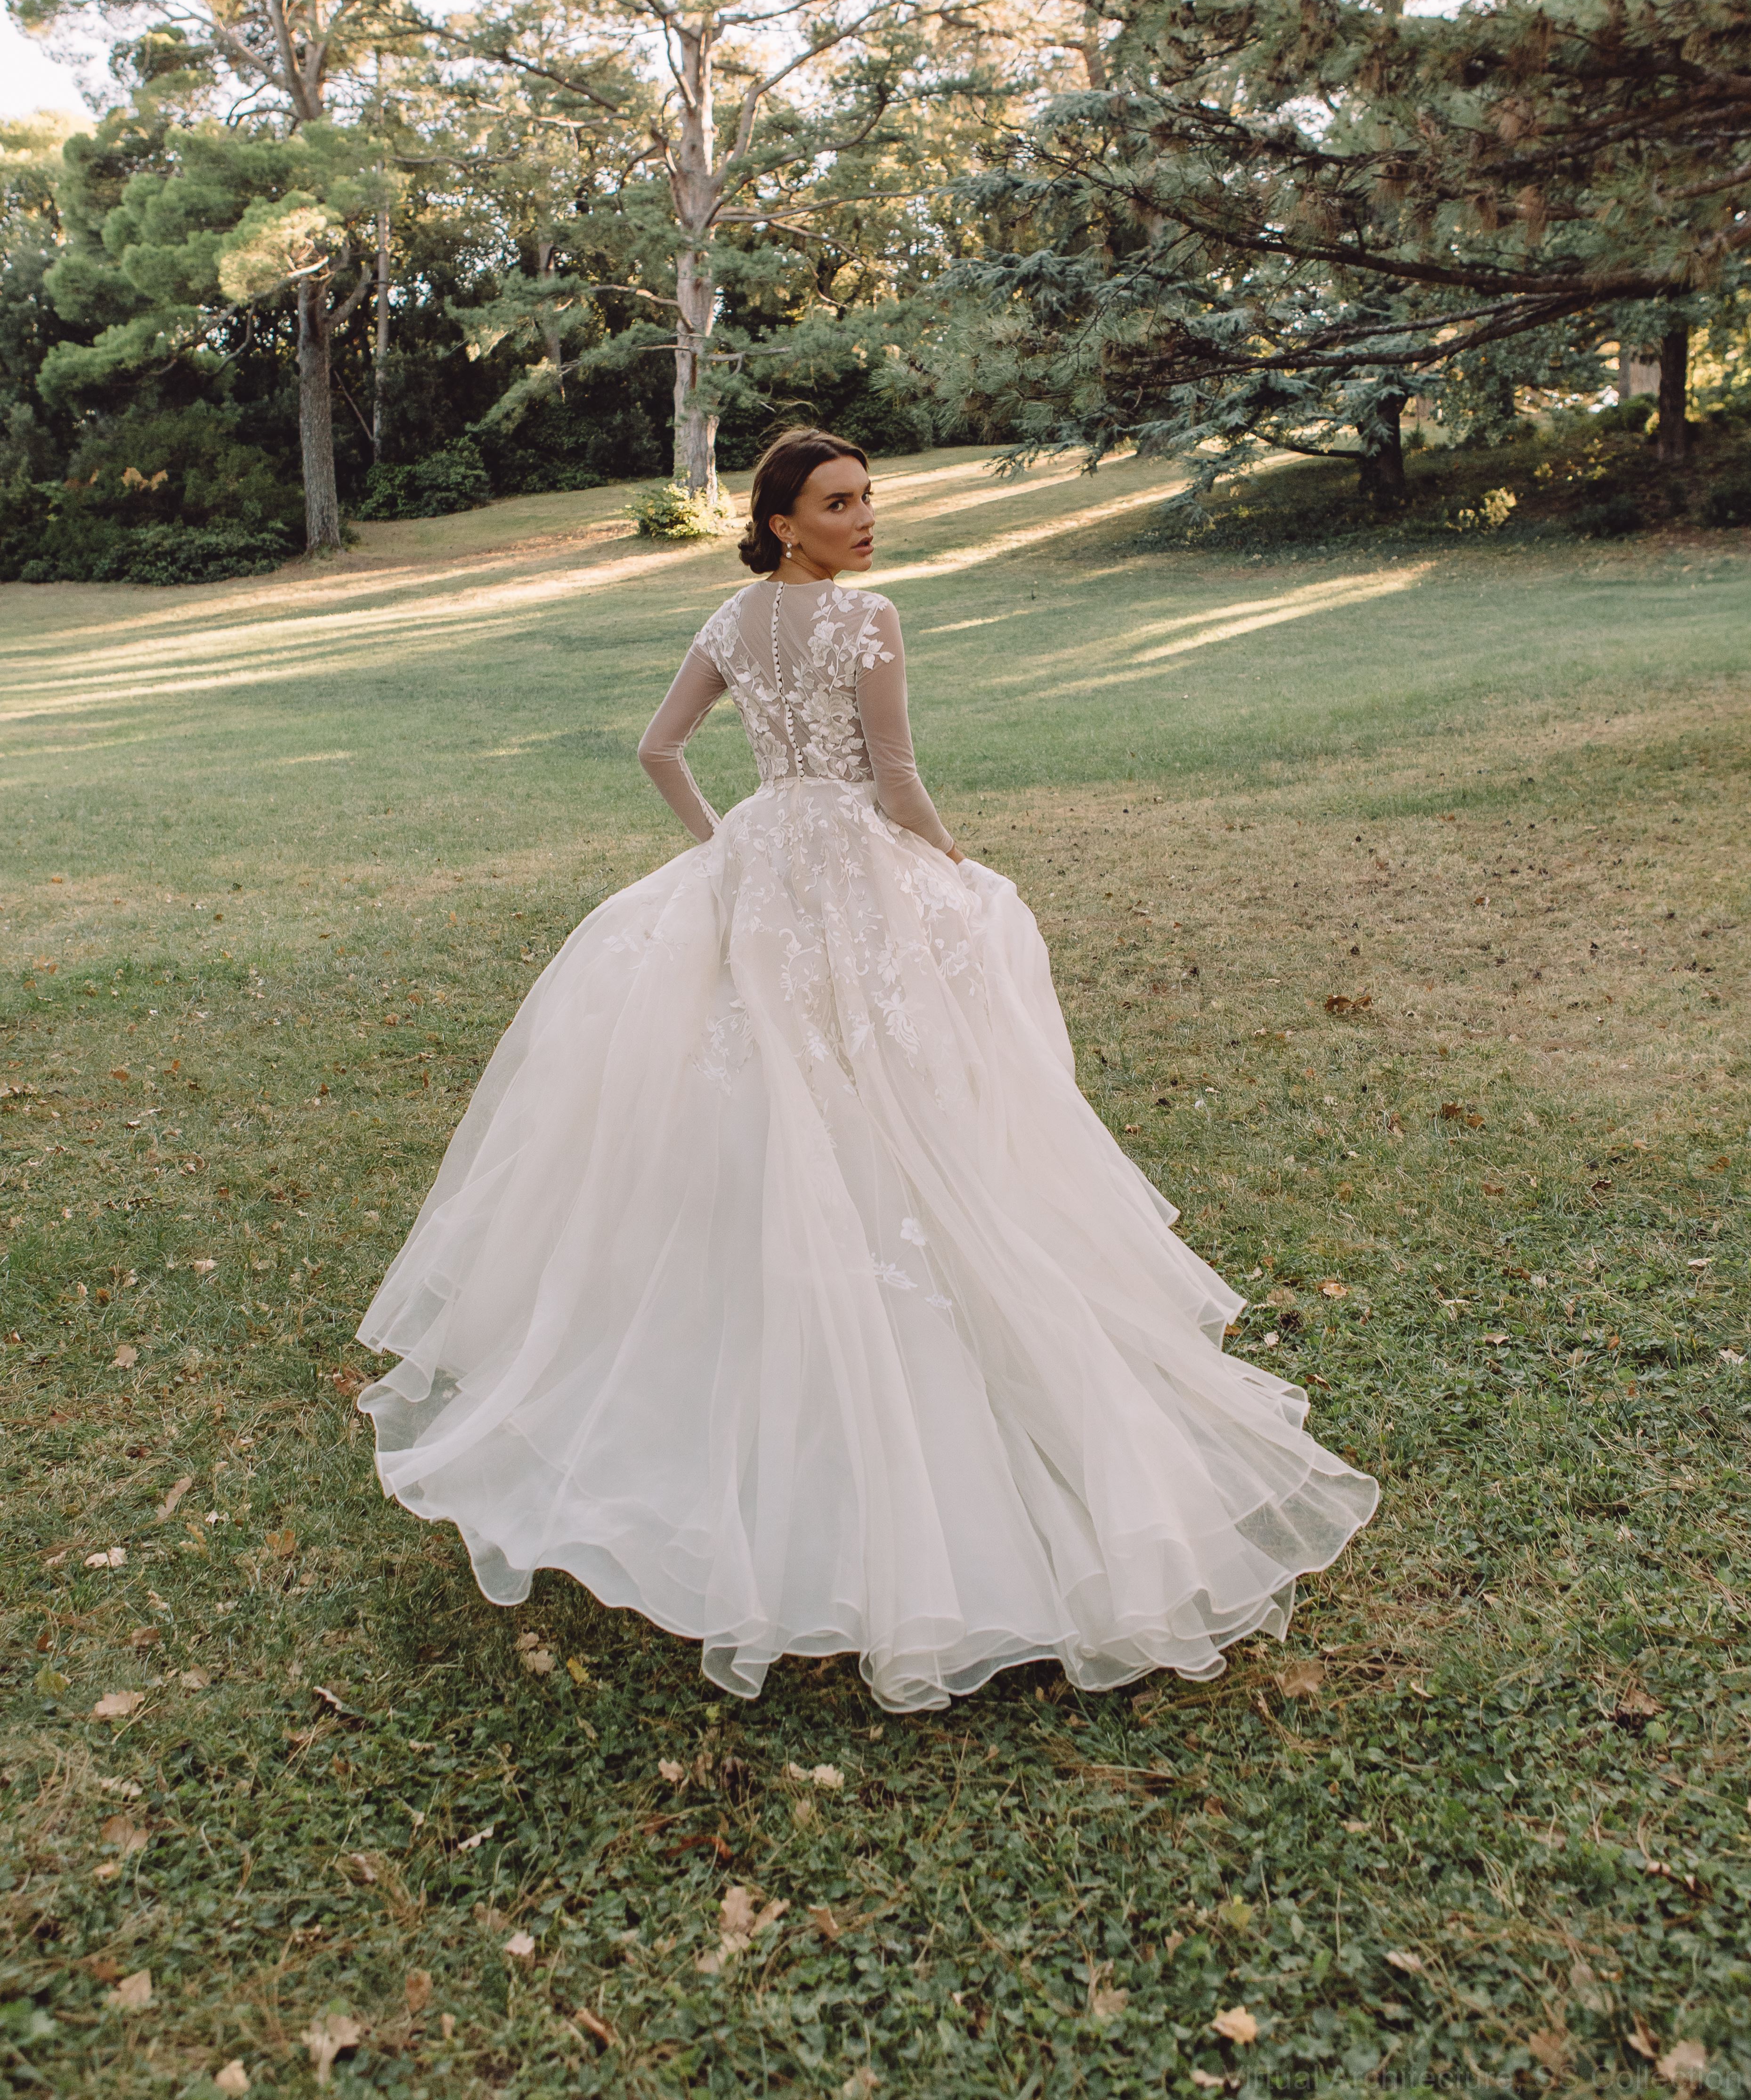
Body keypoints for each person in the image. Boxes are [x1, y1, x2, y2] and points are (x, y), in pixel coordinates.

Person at [356, 427, 1377, 1712]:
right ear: (783, 520)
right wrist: (952, 869)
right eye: (838, 502)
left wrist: (726, 845)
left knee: (770, 1094)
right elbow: (895, 777)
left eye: (867, 497)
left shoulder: (732, 620)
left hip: (765, 863)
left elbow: (658, 750)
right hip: (850, 872)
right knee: (883, 1094)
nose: (865, 516)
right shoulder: (868, 620)